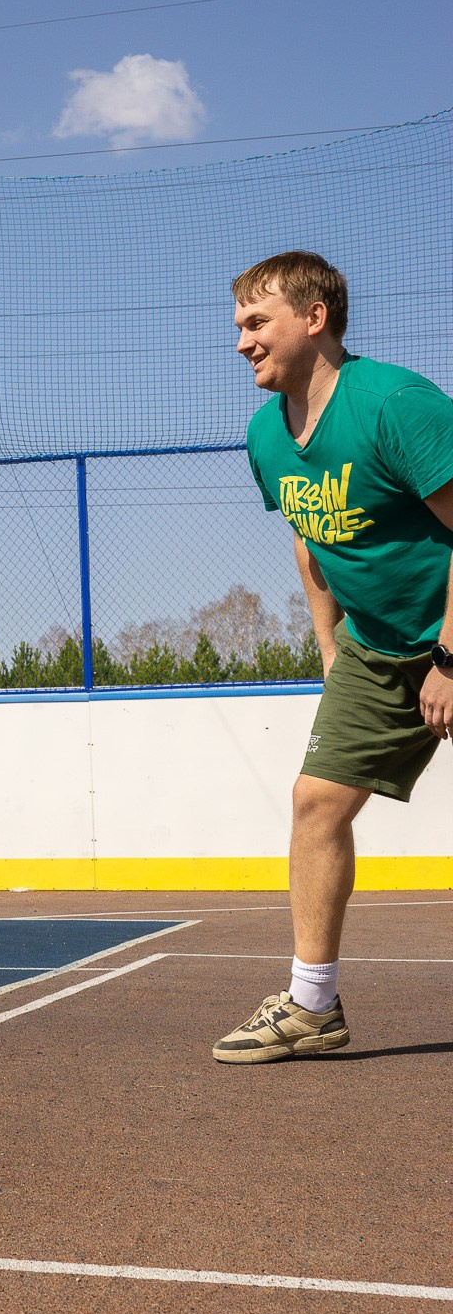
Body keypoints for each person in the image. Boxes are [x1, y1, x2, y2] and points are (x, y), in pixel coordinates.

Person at [214, 251, 453, 1063]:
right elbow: (309, 540)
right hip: (375, 648)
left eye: (255, 321)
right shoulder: (264, 436)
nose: (240, 339)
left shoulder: (394, 404)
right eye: (238, 324)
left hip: (450, 629)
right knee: (318, 803)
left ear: (313, 319)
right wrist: (330, 648)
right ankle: (313, 1005)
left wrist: (449, 659)